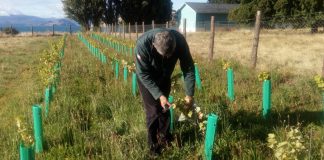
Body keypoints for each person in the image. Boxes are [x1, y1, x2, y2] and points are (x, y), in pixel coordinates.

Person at [135, 28, 195, 156]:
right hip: (147, 79)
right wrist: (159, 95)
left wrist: (189, 94)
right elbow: (143, 74)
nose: (168, 57)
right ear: (154, 46)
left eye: (170, 54)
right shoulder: (142, 45)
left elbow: (188, 67)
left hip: (164, 76)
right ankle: (153, 148)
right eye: (164, 55)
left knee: (165, 108)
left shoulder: (179, 41)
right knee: (153, 112)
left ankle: (165, 138)